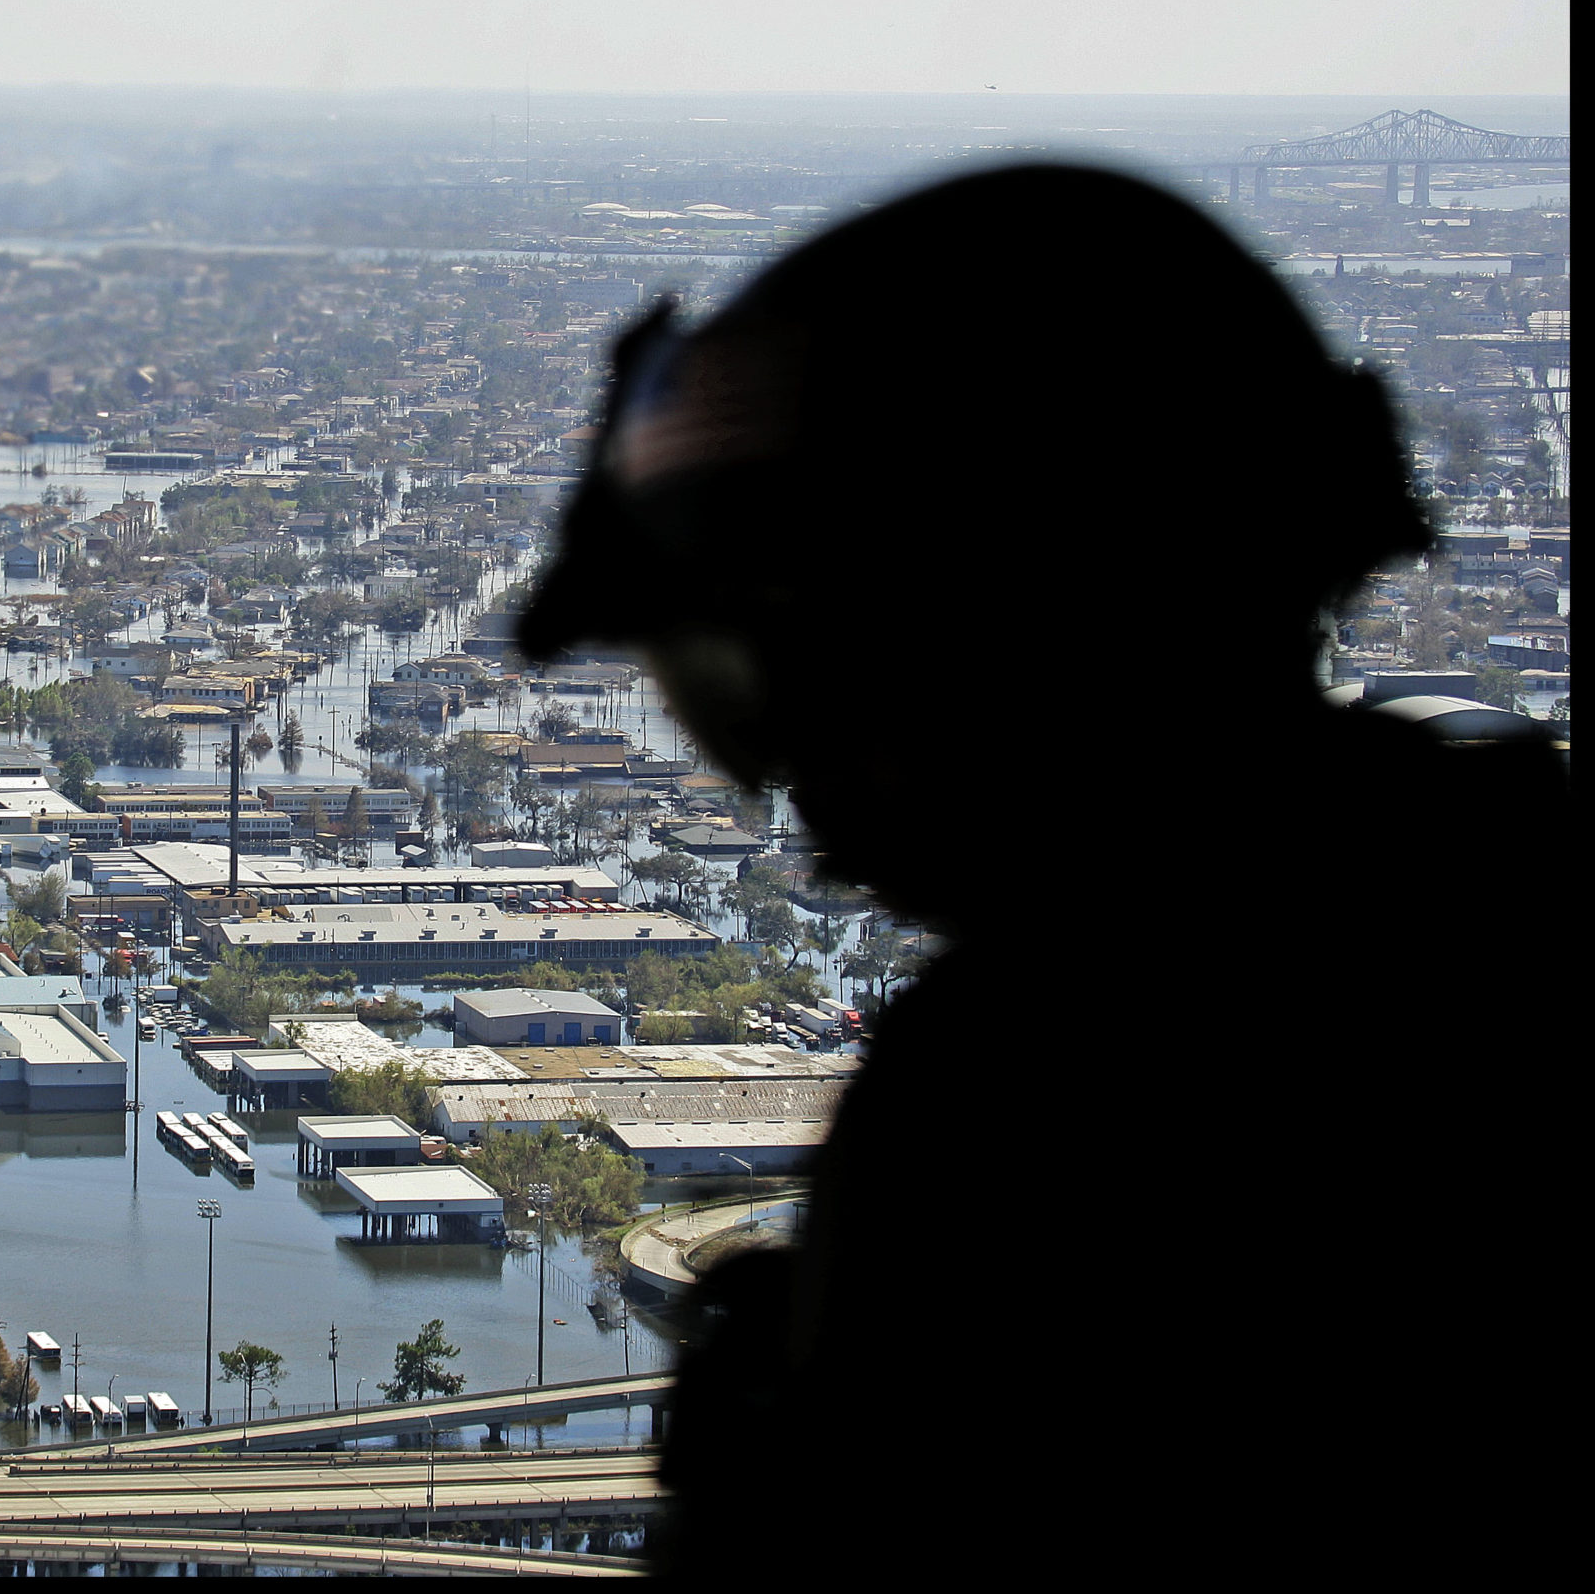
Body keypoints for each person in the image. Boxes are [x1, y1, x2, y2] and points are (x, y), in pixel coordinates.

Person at [518, 165, 1565, 1569]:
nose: (790, 776)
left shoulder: (1045, 1076)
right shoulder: (1481, 901)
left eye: (796, 670)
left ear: (991, 625)